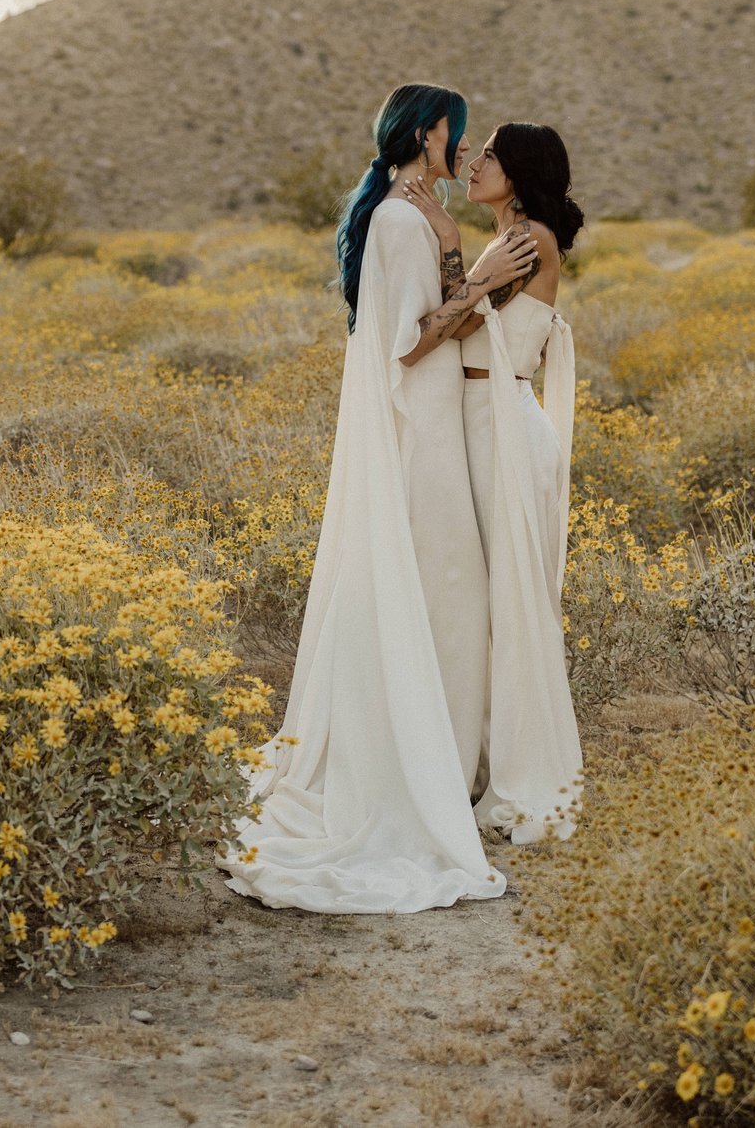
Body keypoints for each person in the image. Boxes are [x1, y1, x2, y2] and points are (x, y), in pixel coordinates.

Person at [219, 85, 538, 912]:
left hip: (438, 422)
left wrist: (482, 273)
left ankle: (439, 760)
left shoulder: (423, 212)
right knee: (451, 597)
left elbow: (447, 320)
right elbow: (409, 344)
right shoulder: (398, 219)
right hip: (417, 435)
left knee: (448, 600)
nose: (462, 150)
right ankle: (413, 770)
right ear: (427, 135)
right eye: (455, 135)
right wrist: (486, 280)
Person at [454, 123, 586, 844]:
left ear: (522, 170)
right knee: (495, 598)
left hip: (500, 422)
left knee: (511, 603)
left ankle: (521, 774)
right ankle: (487, 759)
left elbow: (452, 324)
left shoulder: (522, 240)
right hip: (495, 419)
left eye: (491, 157)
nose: (474, 164)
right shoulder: (517, 235)